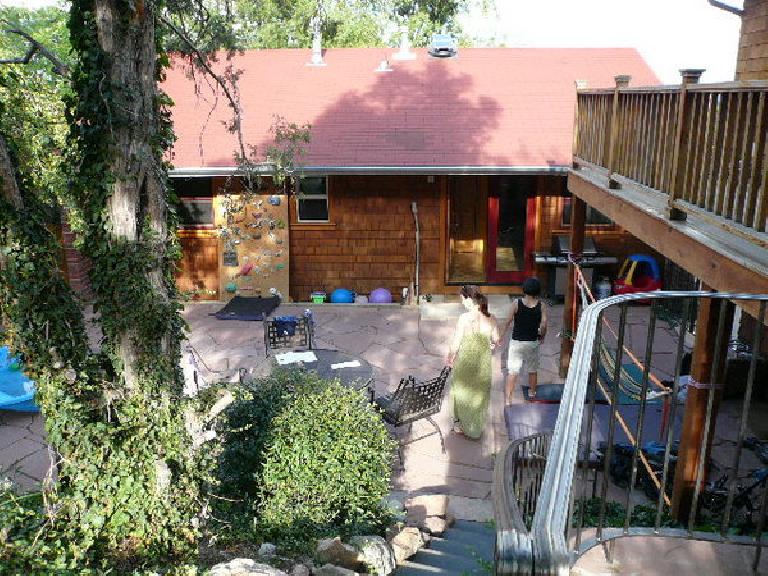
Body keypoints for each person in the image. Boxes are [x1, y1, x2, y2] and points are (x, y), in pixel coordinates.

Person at [446, 285, 499, 439]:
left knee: (460, 390)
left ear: (470, 299)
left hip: (466, 362)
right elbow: (496, 340)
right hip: (483, 364)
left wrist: (450, 356)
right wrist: (490, 344)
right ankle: (475, 427)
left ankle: (460, 423)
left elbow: (456, 342)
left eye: (463, 300)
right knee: (479, 394)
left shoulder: (464, 318)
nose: (462, 303)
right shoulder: (491, 317)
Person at [504, 277, 547, 403]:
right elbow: (544, 325)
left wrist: (501, 335)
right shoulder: (542, 305)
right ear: (538, 291)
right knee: (532, 370)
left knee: (513, 372)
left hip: (517, 343)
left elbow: (507, 321)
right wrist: (542, 336)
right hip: (532, 342)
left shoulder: (516, 303)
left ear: (524, 289)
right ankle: (532, 394)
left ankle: (508, 399)